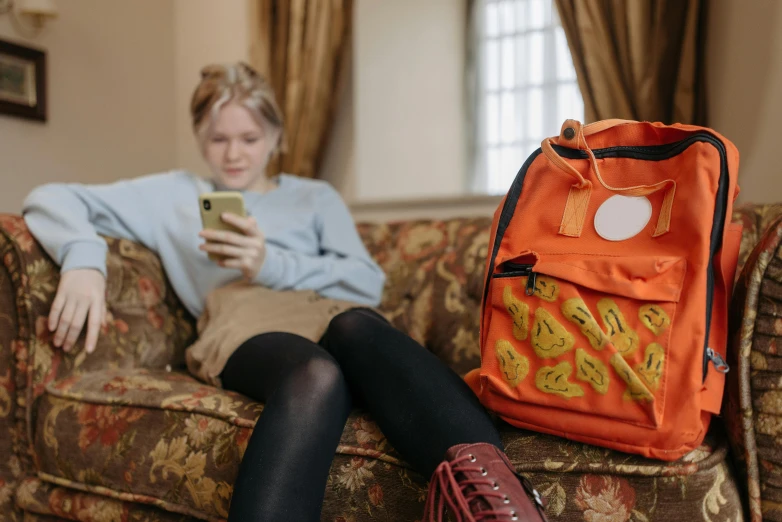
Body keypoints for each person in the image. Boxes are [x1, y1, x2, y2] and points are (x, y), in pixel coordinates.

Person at [22, 62, 547, 522]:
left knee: (356, 327)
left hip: (340, 315)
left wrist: (268, 261)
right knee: (316, 375)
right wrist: (83, 259)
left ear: (275, 138)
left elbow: (367, 282)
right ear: (200, 137)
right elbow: (52, 197)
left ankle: (498, 505)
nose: (233, 155)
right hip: (246, 320)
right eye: (217, 139)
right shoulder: (176, 195)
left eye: (249, 139)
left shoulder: (313, 197)